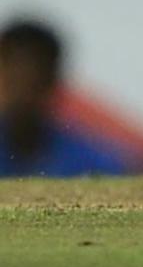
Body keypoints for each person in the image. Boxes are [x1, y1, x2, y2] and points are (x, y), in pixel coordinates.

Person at [0, 22, 133, 178]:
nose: (23, 96)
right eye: (14, 82)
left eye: (33, 84)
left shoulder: (94, 165)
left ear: (53, 82)